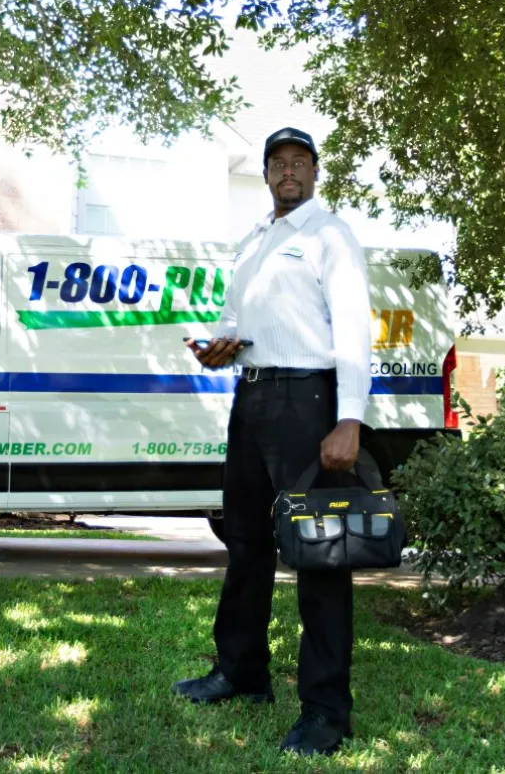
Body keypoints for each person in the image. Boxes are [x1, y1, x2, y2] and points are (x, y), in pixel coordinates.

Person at [172, 126, 372, 756]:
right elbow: (238, 322)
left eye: (300, 162)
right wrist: (217, 348)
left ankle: (325, 713)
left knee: (318, 554)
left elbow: (354, 331)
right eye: (278, 163)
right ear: (264, 176)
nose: (289, 172)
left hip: (308, 403)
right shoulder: (253, 242)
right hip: (252, 396)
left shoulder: (329, 235)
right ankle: (242, 672)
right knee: (246, 539)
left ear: (314, 174)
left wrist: (349, 419)